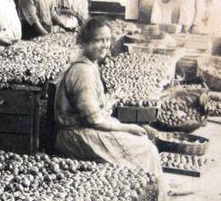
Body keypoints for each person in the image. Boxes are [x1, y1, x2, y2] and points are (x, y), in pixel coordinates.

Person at [54, 17, 162, 179]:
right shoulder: (83, 72)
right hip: (76, 136)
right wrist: (128, 127)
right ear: (85, 42)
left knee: (141, 139)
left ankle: (146, 185)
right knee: (146, 149)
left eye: (107, 40)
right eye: (98, 40)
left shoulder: (90, 64)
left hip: (82, 130)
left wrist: (109, 100)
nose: (105, 45)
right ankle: (147, 190)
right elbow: (94, 120)